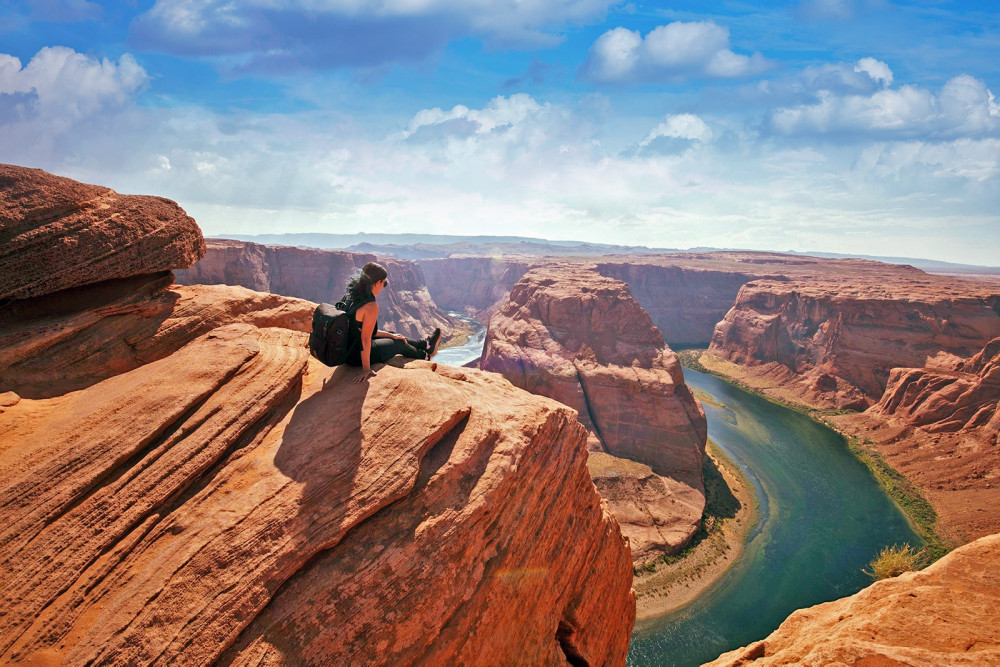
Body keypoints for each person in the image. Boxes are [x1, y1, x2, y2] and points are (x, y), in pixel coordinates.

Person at [341, 262, 442, 384]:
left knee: (393, 334)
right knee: (399, 343)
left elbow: (363, 329)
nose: (384, 285)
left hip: (347, 350)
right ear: (377, 282)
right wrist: (366, 369)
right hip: (355, 355)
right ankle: (425, 356)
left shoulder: (354, 295)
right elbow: (366, 339)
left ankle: (426, 344)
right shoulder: (370, 306)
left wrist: (391, 335)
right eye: (384, 283)